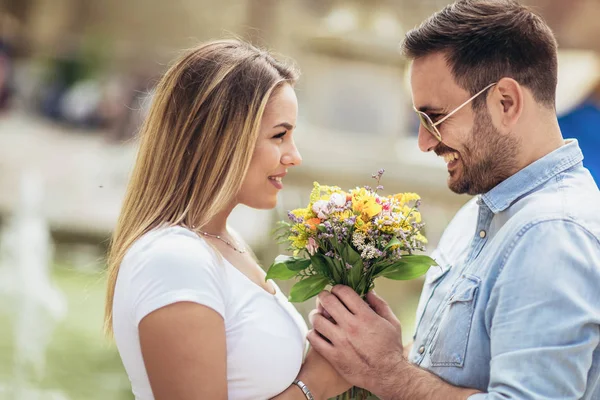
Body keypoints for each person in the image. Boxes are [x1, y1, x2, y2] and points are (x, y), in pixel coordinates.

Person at [308, 1, 600, 399]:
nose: (424, 142)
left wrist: (391, 375)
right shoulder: (482, 206)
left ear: (506, 103)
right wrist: (375, 352)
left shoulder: (552, 233)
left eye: (435, 117)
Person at [104, 39, 348, 400]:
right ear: (223, 137)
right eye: (280, 135)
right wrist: (316, 385)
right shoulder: (174, 258)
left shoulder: (223, 241)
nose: (294, 156)